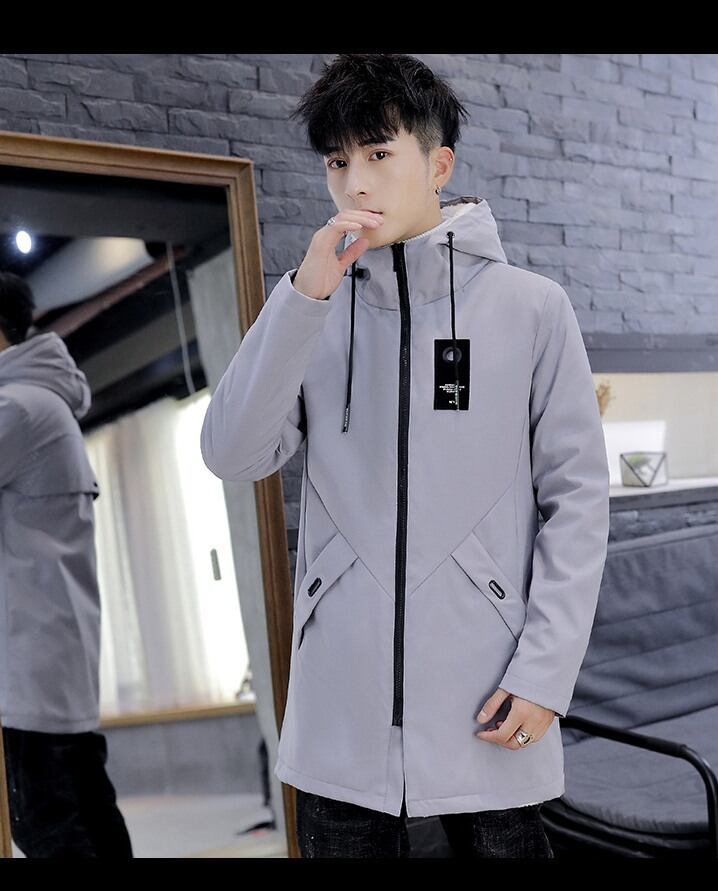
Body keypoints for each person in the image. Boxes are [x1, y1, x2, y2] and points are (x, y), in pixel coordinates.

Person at [200, 53, 610, 859]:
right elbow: (233, 453)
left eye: (379, 153)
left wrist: (544, 674)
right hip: (340, 720)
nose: (355, 182)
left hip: (487, 704)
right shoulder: (310, 311)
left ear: (439, 164)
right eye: (337, 161)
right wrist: (302, 298)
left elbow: (579, 501)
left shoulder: (532, 309)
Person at [0, 272, 133, 858]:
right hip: (51, 658)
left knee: (47, 828)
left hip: (28, 663)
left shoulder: (18, 408)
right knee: (88, 819)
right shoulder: (42, 404)